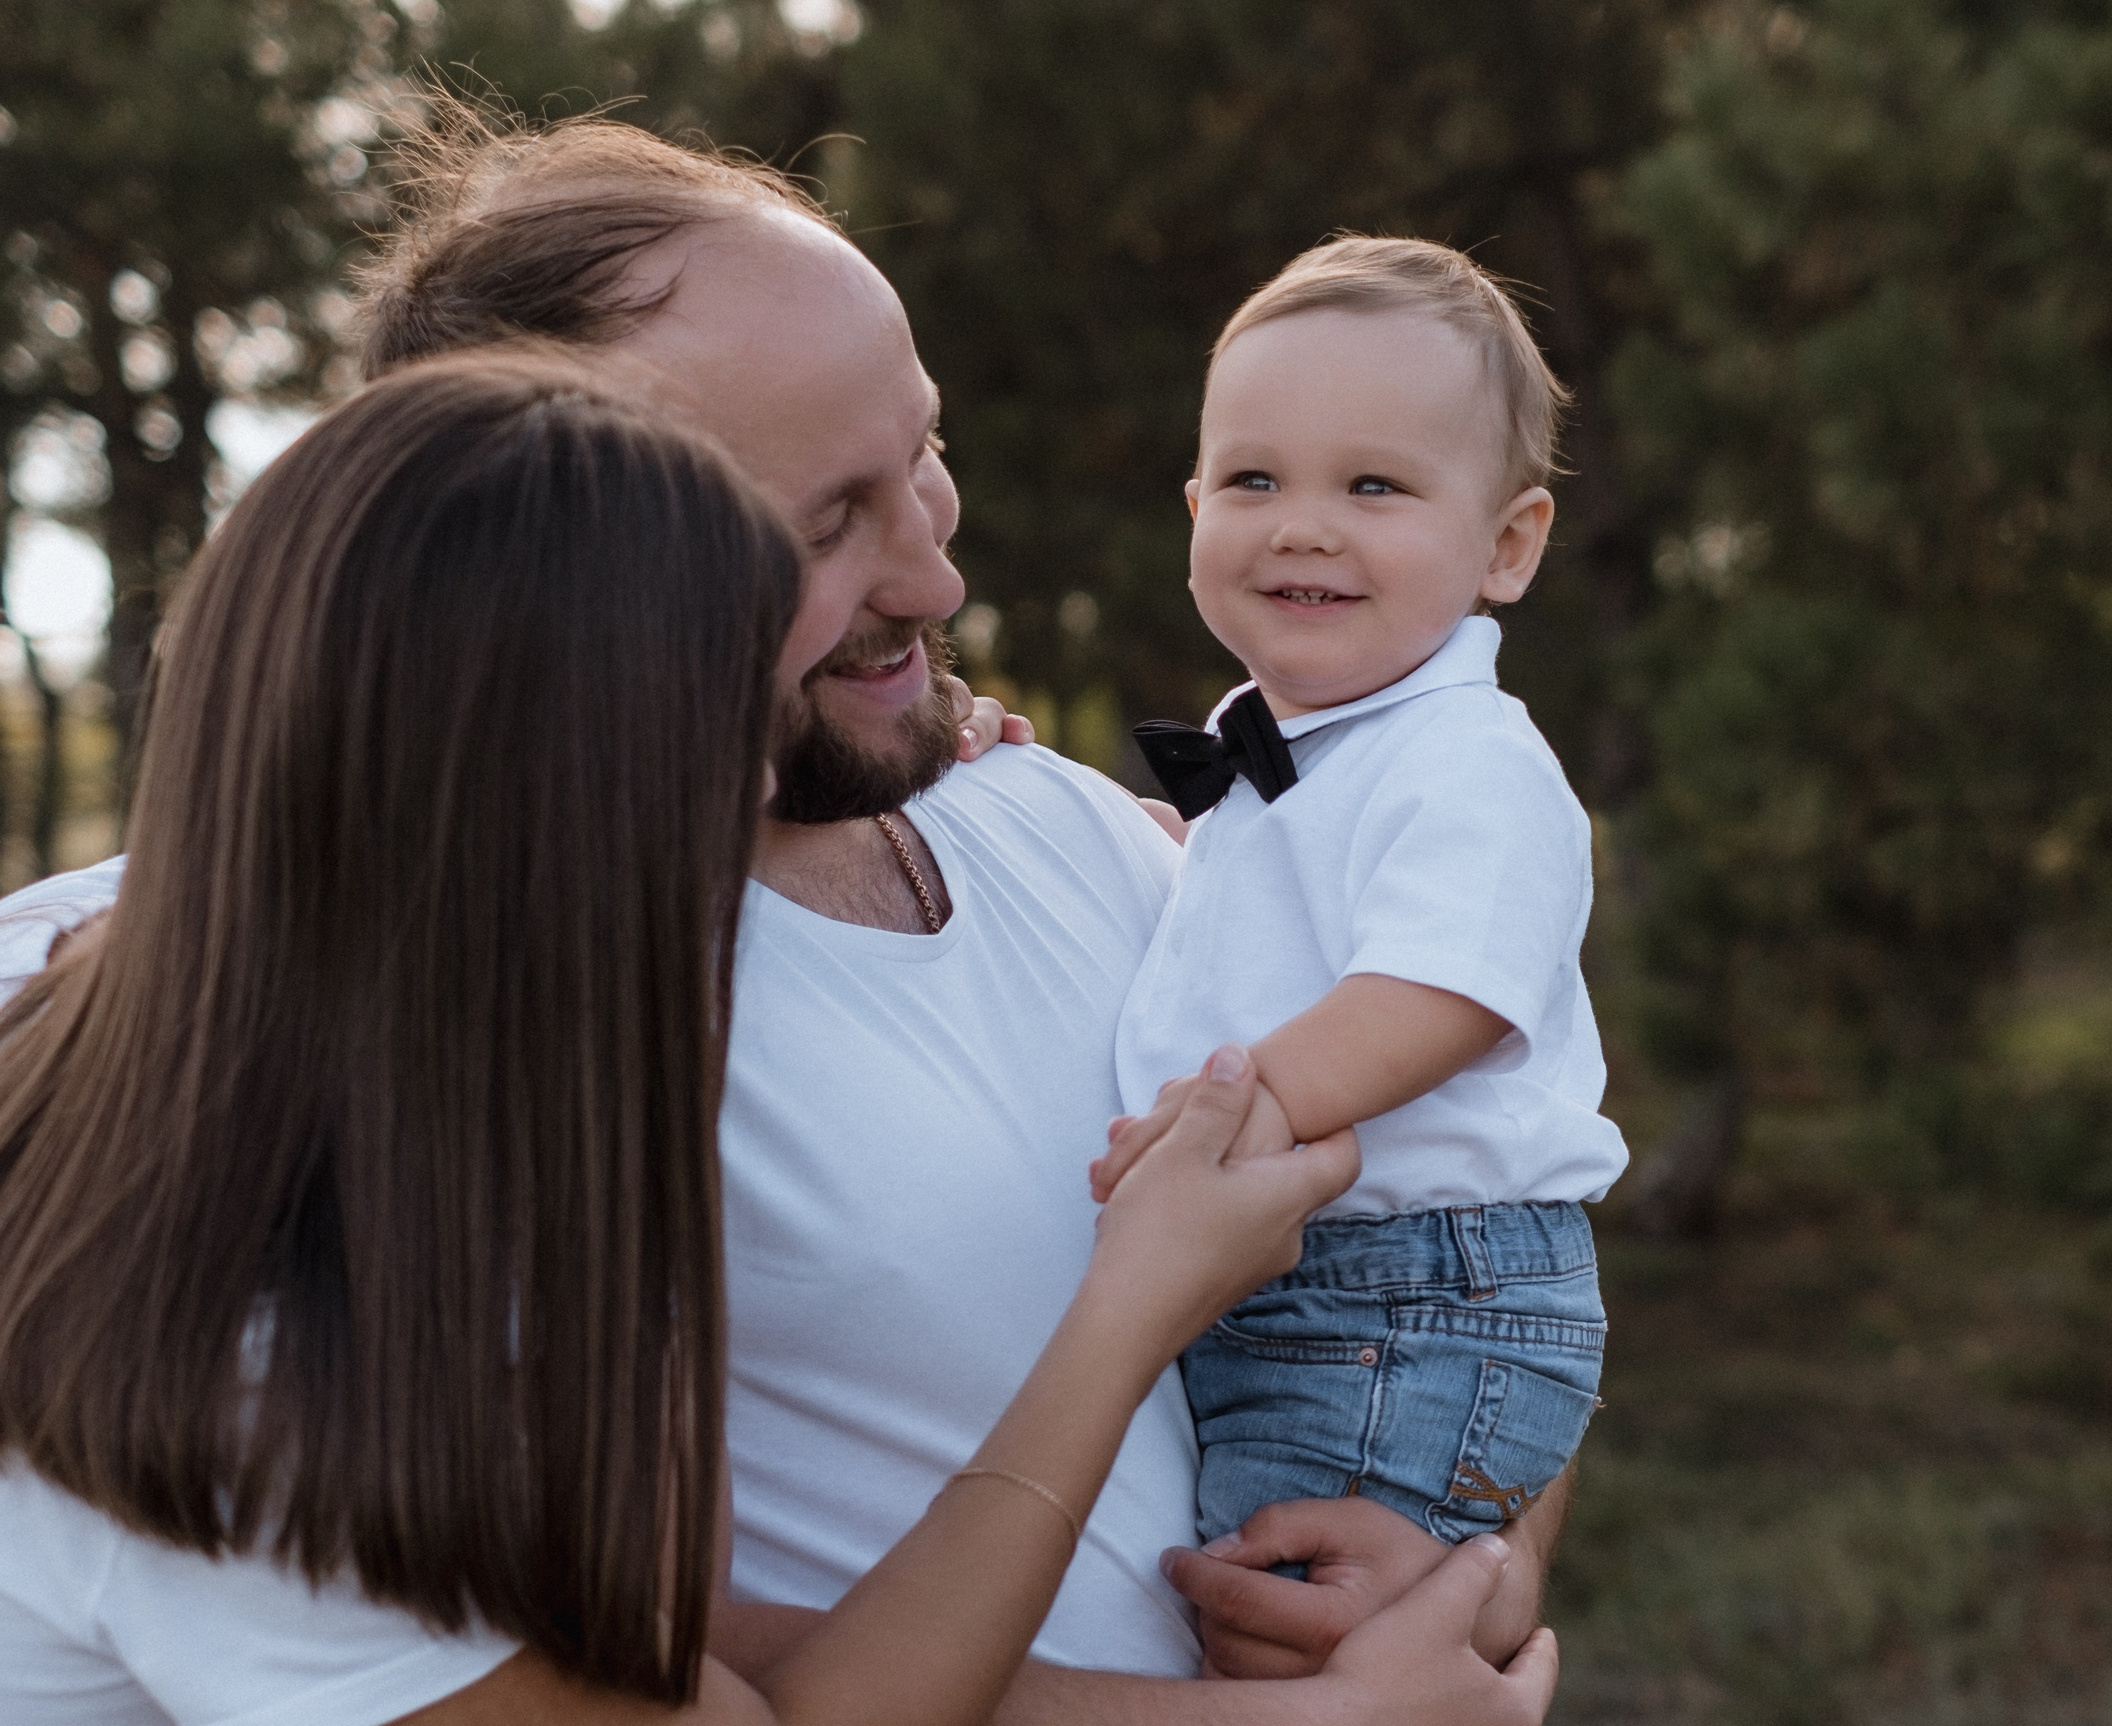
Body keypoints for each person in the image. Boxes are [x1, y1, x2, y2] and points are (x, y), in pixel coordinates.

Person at [0, 107, 1572, 1711]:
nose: (938, 576)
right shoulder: (287, 1079)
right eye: (819, 527)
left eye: (926, 454)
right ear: (543, 609)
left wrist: (1470, 1560)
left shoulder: (1065, 831)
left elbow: (1489, 1212)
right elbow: (713, 1677)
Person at [1098, 239, 1624, 1583]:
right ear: (1195, 501)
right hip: (1321, 1286)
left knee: (1294, 1638)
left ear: (1507, 544)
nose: (1304, 523)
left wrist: (1245, 1107)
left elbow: (1438, 992)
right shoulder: (1286, 757)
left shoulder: (1473, 759)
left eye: (1373, 484)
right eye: (1254, 478)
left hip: (1412, 1297)